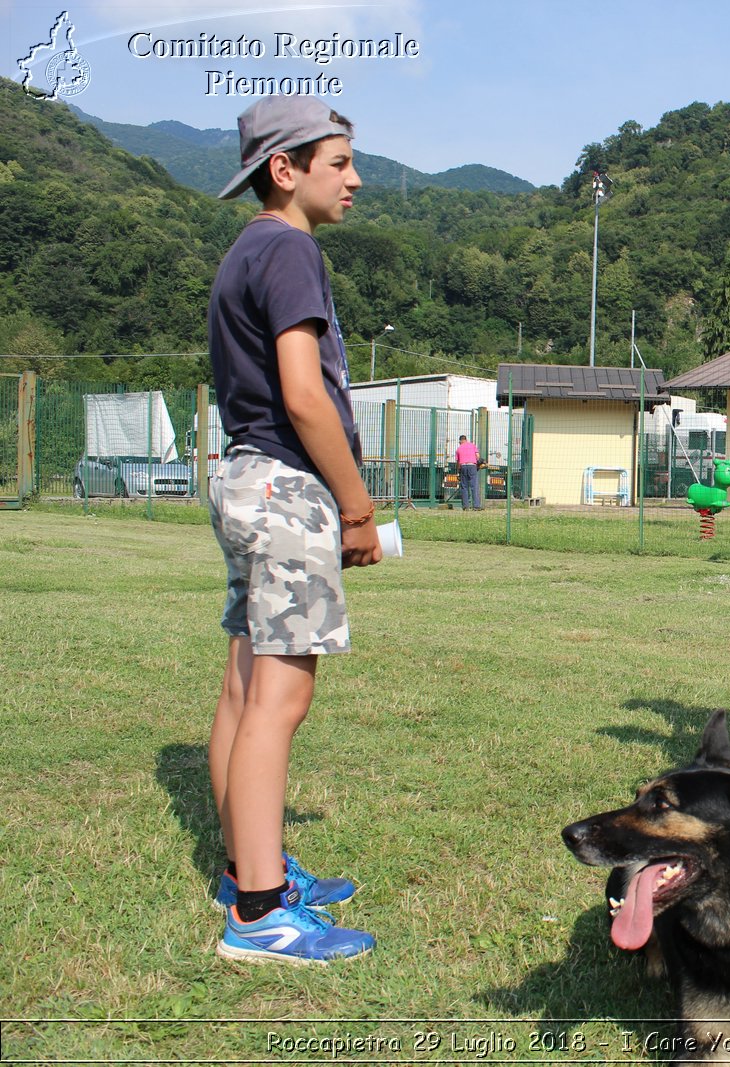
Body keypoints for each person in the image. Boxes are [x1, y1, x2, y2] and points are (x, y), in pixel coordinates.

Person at [205, 96, 380, 963]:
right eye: (340, 161)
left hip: (242, 474)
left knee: (243, 690)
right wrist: (355, 505)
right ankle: (260, 913)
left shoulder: (245, 250)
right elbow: (305, 395)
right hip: (286, 488)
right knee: (282, 699)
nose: (356, 178)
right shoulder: (291, 249)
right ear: (287, 170)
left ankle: (249, 868)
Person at [455, 434, 481, 510]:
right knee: (474, 486)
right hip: (472, 465)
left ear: (460, 441)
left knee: (464, 486)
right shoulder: (472, 445)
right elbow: (478, 456)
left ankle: (465, 506)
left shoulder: (458, 449)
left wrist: (458, 471)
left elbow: (458, 462)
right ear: (466, 440)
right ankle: (476, 506)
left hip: (463, 466)